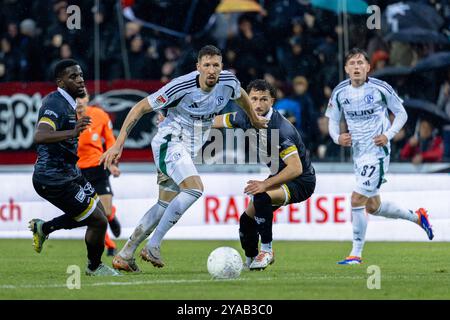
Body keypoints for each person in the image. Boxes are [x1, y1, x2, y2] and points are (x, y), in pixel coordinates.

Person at [100, 45, 268, 272]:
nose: (211, 70)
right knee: (194, 189)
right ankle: (153, 246)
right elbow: (140, 107)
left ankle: (125, 254)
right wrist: (118, 144)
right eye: (206, 65)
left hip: (186, 150)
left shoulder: (228, 82)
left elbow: (241, 96)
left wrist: (254, 119)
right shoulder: (181, 86)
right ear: (198, 67)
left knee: (164, 205)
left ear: (221, 67)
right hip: (169, 142)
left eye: (216, 65)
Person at [325, 48, 434, 265]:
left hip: (377, 152)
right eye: (352, 63)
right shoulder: (340, 92)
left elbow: (402, 113)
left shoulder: (379, 89)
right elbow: (332, 120)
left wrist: (388, 135)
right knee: (372, 206)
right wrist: (338, 138)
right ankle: (417, 216)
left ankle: (355, 254)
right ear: (346, 69)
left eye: (360, 63)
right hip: (359, 153)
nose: (356, 67)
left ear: (368, 67)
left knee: (356, 199)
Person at [29, 59, 119, 276]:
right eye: (73, 77)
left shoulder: (69, 103)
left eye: (80, 75)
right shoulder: (55, 104)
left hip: (71, 173)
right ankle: (94, 267)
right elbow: (40, 136)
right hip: (53, 178)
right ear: (60, 82)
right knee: (97, 221)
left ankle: (44, 228)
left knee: (99, 214)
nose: (80, 80)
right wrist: (72, 132)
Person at [214, 79, 316, 270]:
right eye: (253, 99)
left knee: (261, 197)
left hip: (301, 181)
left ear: (272, 101)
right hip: (280, 174)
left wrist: (265, 184)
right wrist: (180, 120)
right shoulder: (244, 117)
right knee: (246, 221)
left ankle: (267, 250)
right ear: (247, 100)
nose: (258, 104)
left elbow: (296, 168)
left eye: (263, 99)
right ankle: (251, 260)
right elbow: (213, 122)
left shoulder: (281, 128)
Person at [76, 92, 122, 256]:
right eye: (75, 97)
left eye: (81, 97)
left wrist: (113, 164)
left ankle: (112, 214)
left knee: (106, 212)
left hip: (98, 166)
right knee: (91, 214)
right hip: (78, 171)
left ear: (87, 99)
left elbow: (110, 140)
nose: (78, 101)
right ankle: (110, 245)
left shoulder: (99, 115)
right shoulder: (67, 117)